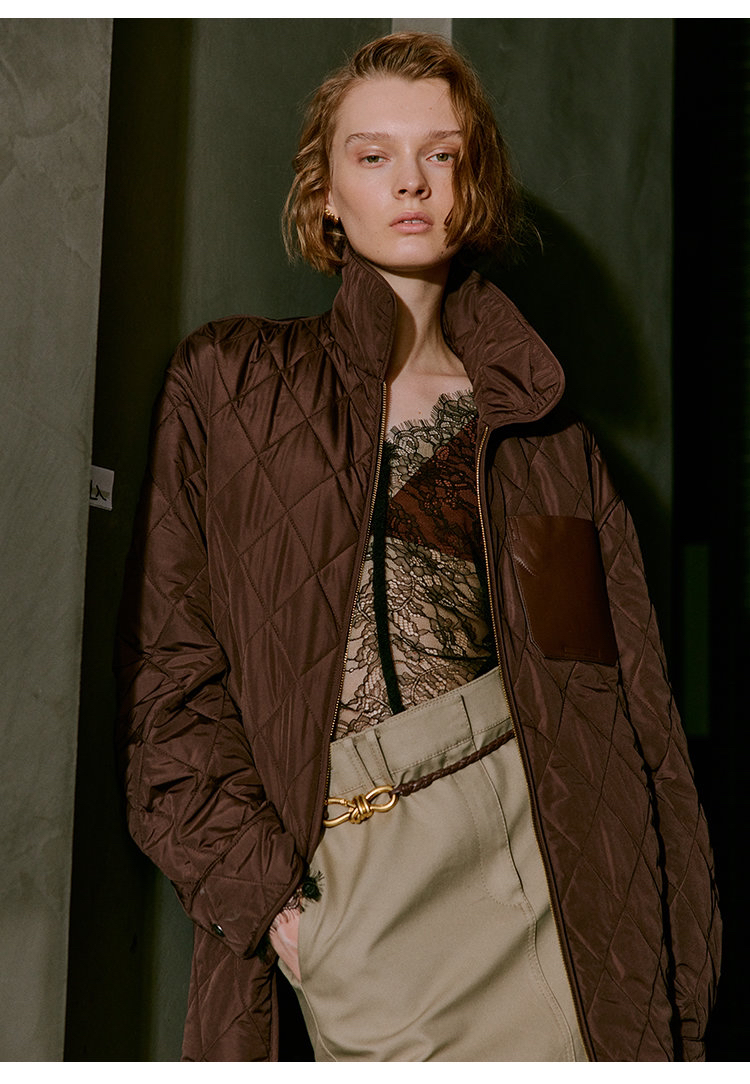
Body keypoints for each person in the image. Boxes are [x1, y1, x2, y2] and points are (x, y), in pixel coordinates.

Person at [116, 31, 721, 1062]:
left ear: (472, 184)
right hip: (351, 889)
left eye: (441, 154)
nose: (411, 181)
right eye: (373, 155)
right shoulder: (229, 382)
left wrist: (682, 987)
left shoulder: (541, 433)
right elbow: (168, 678)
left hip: (547, 875)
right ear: (326, 195)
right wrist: (275, 904)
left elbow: (632, 712)